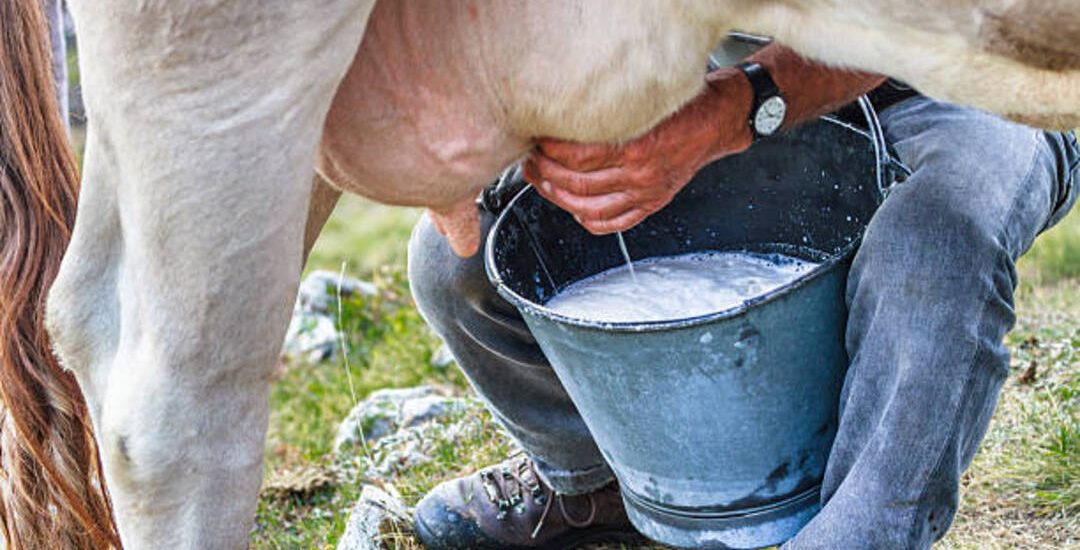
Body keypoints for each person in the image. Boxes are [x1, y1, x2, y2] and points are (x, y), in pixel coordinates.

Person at [405, 41, 1079, 549]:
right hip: (728, 76)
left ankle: (854, 533)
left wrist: (733, 111)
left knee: (934, 244)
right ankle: (605, 480)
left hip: (975, 83)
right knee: (458, 257)